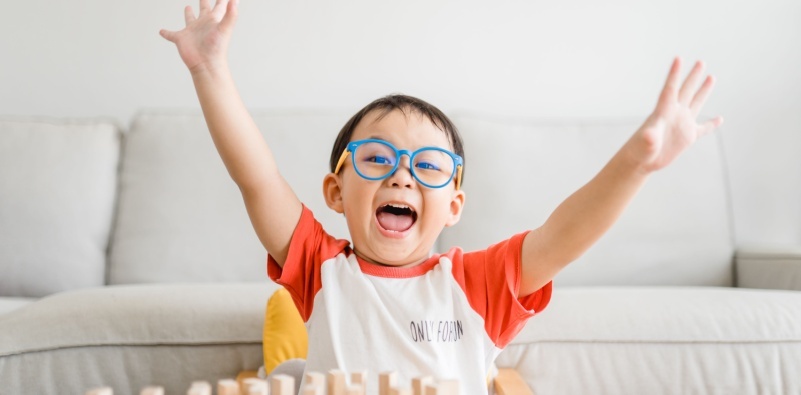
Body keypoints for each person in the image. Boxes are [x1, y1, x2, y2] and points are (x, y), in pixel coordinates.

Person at [159, 0, 723, 393]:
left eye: (428, 167)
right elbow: (257, 180)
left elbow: (562, 238)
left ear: (454, 205)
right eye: (378, 159)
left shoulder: (472, 285)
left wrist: (635, 164)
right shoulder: (321, 268)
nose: (402, 178)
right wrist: (210, 70)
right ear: (336, 190)